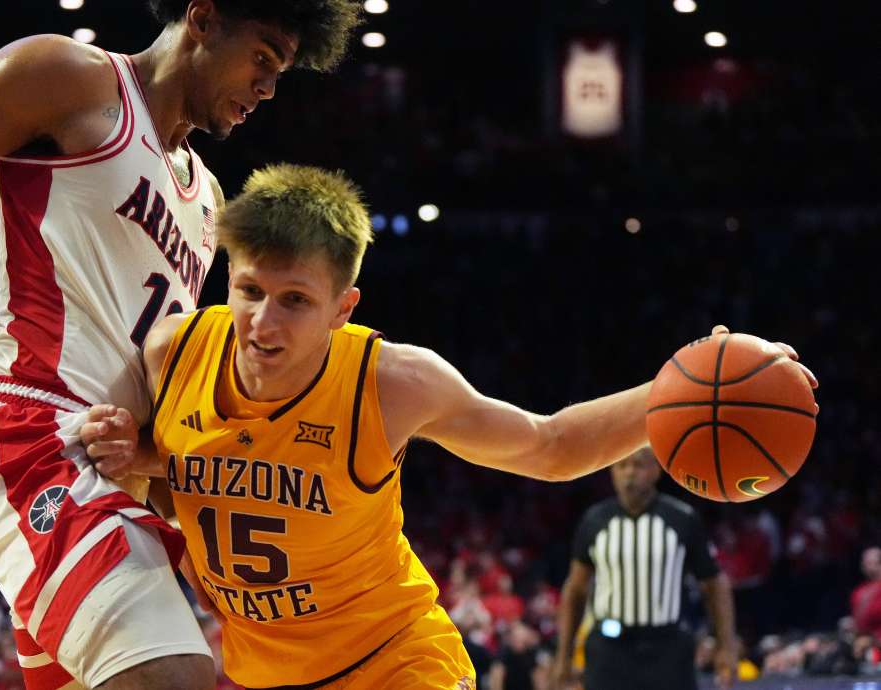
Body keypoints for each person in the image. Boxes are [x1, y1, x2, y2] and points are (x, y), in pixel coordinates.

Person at [79, 163, 819, 689]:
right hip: (255, 670)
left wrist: (683, 389)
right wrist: (130, 449)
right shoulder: (174, 353)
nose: (262, 323)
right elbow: (179, 477)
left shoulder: (392, 382)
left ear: (345, 308)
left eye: (296, 301)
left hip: (398, 664)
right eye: (249, 291)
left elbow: (550, 445)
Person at [0, 2, 362, 688]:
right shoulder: (70, 79)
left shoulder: (210, 201)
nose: (268, 88)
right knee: (177, 677)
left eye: (280, 73)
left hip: (116, 473)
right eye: (262, 57)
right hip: (38, 433)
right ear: (202, 19)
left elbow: (164, 384)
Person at [550, 447, 738, 690]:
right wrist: (563, 656)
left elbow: (714, 584)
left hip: (668, 648)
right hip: (609, 649)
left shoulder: (682, 519)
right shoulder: (594, 520)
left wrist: (727, 647)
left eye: (638, 465)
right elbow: (575, 590)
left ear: (656, 470)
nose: (629, 473)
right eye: (621, 466)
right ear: (611, 472)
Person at [852, 546, 881, 639]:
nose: (871, 567)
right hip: (864, 641)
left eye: (874, 563)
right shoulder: (858, 592)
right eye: (866, 563)